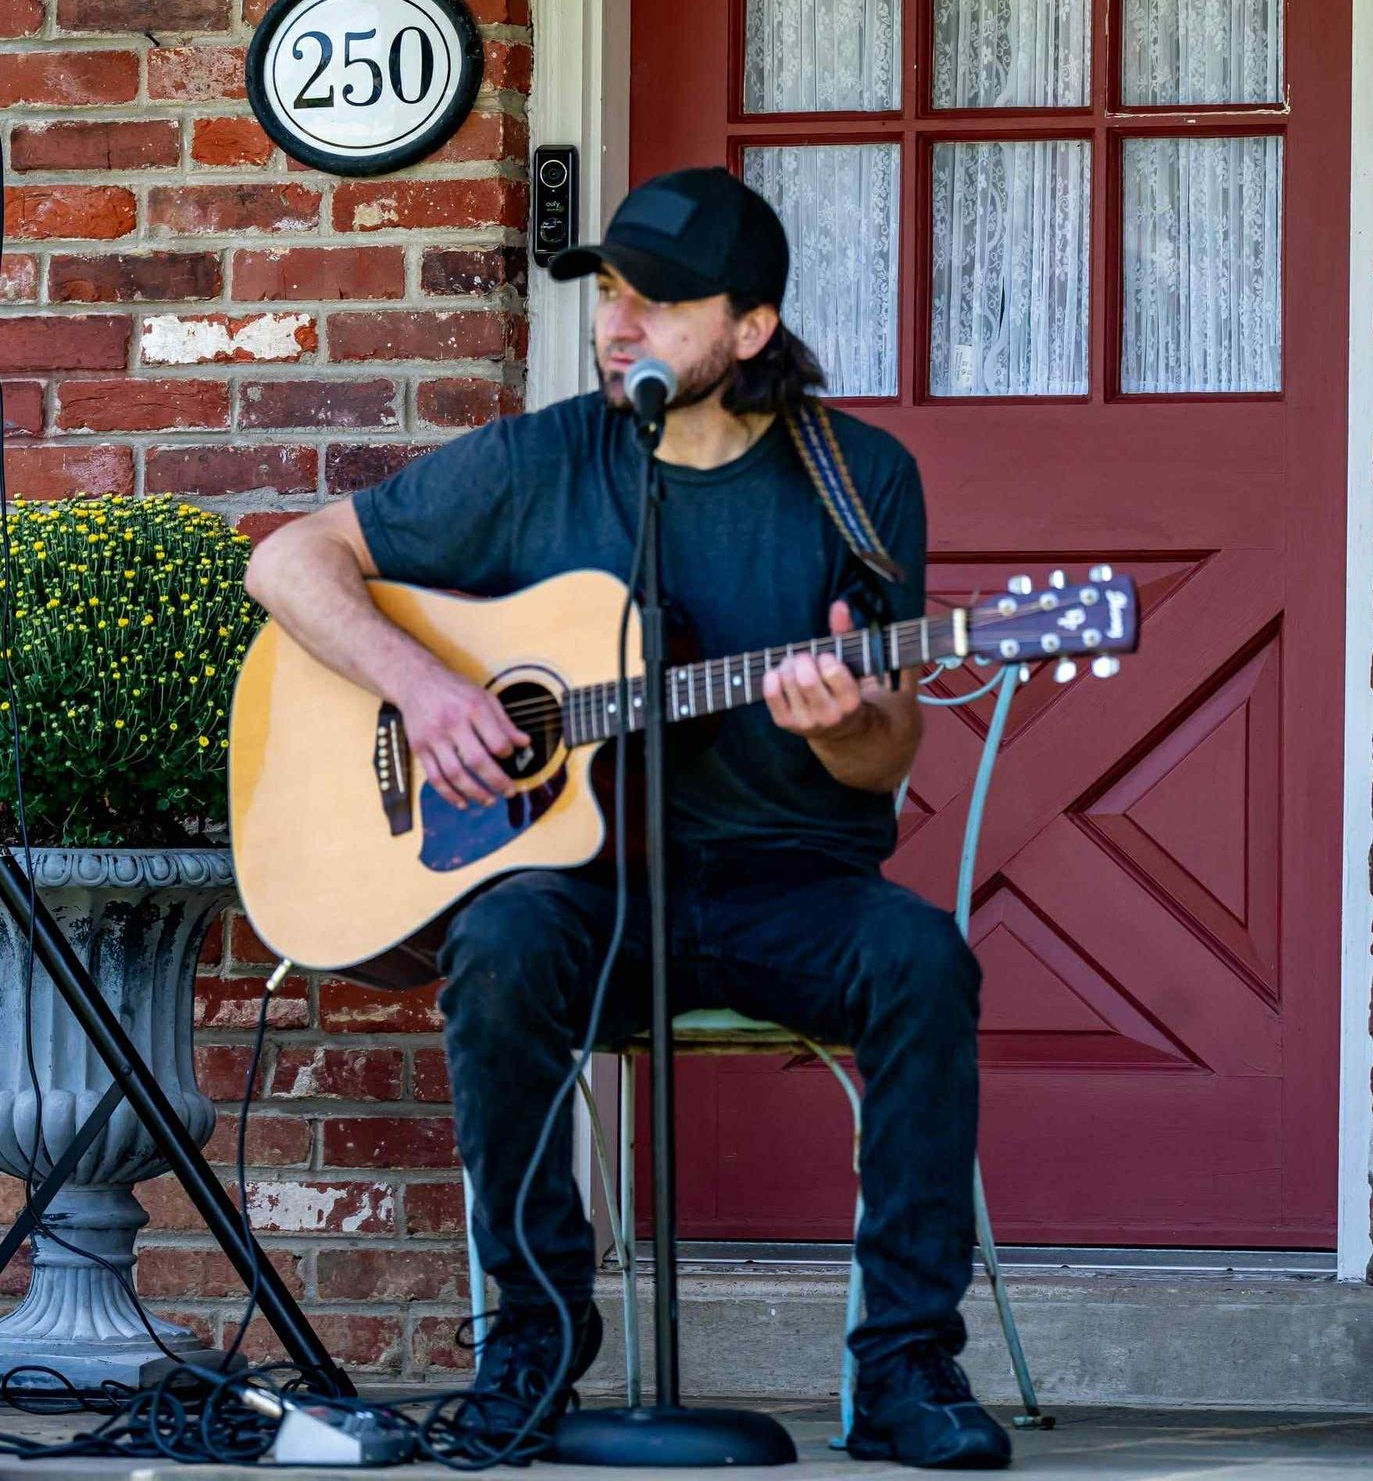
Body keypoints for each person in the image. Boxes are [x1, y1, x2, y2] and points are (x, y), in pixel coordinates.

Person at [243, 166, 1010, 1470]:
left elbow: (886, 752)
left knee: (922, 961)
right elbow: (288, 560)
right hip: (590, 890)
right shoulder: (540, 459)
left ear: (750, 329)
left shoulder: (855, 478)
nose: (617, 325)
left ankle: (902, 1370)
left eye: (657, 302)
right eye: (609, 293)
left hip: (787, 883)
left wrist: (842, 725)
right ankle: (532, 1350)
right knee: (502, 944)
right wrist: (427, 690)